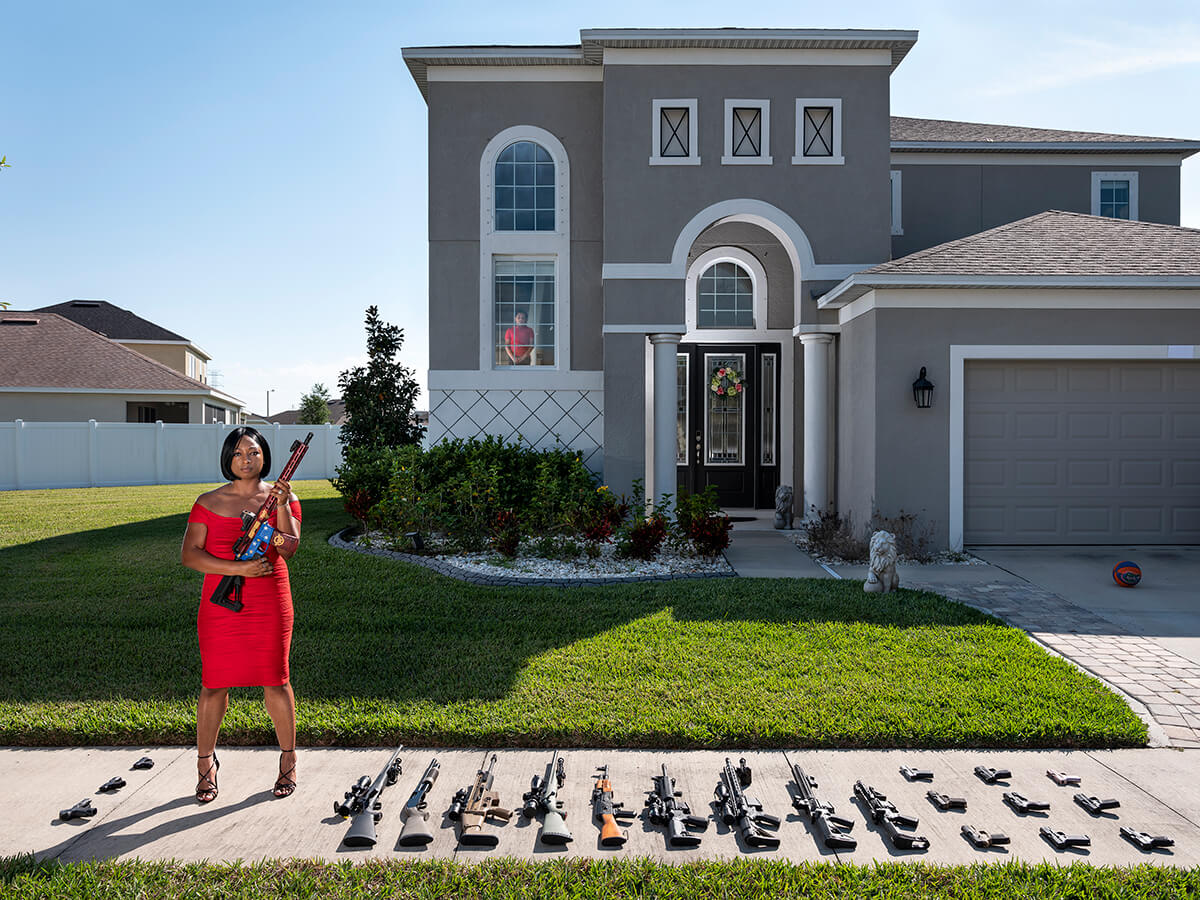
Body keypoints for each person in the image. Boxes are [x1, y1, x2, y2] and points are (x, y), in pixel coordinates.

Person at [181, 426, 301, 803]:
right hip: (220, 607)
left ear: (264, 455)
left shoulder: (284, 497)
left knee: (276, 681)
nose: (246, 460)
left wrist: (280, 505)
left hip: (270, 601)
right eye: (237, 453)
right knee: (214, 683)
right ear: (227, 459)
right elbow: (190, 555)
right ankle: (205, 765)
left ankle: (288, 761)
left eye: (253, 452)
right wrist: (238, 570)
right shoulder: (208, 501)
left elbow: (288, 548)